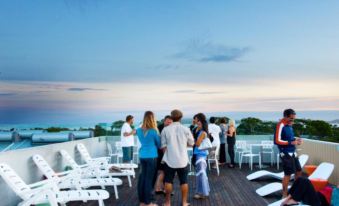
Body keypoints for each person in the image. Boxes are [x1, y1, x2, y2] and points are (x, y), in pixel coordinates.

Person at [161, 109, 194, 206]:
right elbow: (192, 143)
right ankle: (184, 202)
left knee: (168, 181)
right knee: (184, 181)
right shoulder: (185, 129)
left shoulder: (165, 130)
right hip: (182, 160)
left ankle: (167, 203)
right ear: (181, 118)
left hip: (169, 160)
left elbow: (163, 146)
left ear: (171, 117)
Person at [274, 109, 303, 197]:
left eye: (294, 119)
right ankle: (284, 194)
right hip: (285, 153)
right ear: (285, 116)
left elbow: (290, 138)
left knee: (299, 171)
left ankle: (294, 190)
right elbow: (277, 141)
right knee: (288, 174)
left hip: (293, 152)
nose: (292, 120)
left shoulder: (289, 125)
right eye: (291, 118)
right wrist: (290, 143)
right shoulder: (281, 125)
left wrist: (296, 140)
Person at [136, 111, 161, 206]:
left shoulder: (138, 130)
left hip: (142, 156)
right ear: (152, 119)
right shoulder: (153, 131)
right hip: (151, 157)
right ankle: (148, 202)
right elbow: (159, 144)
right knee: (149, 179)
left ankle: (142, 202)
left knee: (142, 178)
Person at [193, 113, 210, 199]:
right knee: (201, 173)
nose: (196, 122)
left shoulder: (202, 133)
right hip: (199, 154)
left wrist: (194, 141)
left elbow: (198, 143)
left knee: (201, 174)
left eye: (197, 120)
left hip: (201, 155)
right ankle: (202, 191)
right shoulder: (199, 131)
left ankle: (202, 192)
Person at [154, 115, 173, 194]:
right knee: (165, 171)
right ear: (164, 121)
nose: (169, 123)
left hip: (165, 152)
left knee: (163, 171)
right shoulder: (159, 128)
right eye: (168, 122)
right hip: (161, 152)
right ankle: (164, 189)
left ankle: (158, 188)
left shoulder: (169, 128)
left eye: (170, 122)